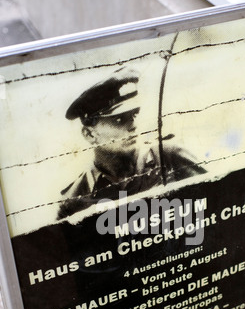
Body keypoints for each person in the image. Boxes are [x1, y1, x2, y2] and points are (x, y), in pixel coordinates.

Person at [57, 66, 205, 220]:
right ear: (90, 134)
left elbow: (212, 205)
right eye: (119, 119)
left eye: (134, 115)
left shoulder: (169, 156)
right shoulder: (74, 200)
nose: (133, 126)